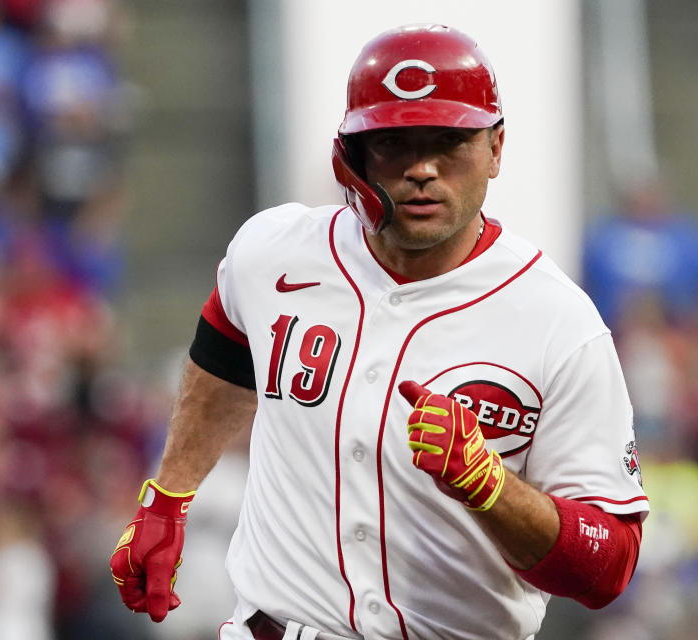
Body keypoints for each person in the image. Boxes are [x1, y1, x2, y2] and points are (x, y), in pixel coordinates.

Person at [110, 24, 648, 640]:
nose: (423, 167)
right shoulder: (274, 252)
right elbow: (226, 339)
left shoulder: (559, 322)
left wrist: (491, 485)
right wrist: (170, 494)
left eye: (449, 141)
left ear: (496, 149)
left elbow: (610, 564)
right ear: (352, 154)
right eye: (395, 143)